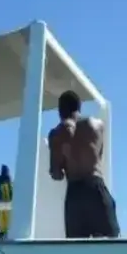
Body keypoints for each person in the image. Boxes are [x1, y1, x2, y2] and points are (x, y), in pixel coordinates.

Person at [47, 90, 120, 238]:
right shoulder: (97, 126)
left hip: (74, 195)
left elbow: (56, 174)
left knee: (77, 252)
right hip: (95, 189)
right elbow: (99, 155)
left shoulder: (56, 134)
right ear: (79, 107)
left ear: (60, 111)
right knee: (112, 246)